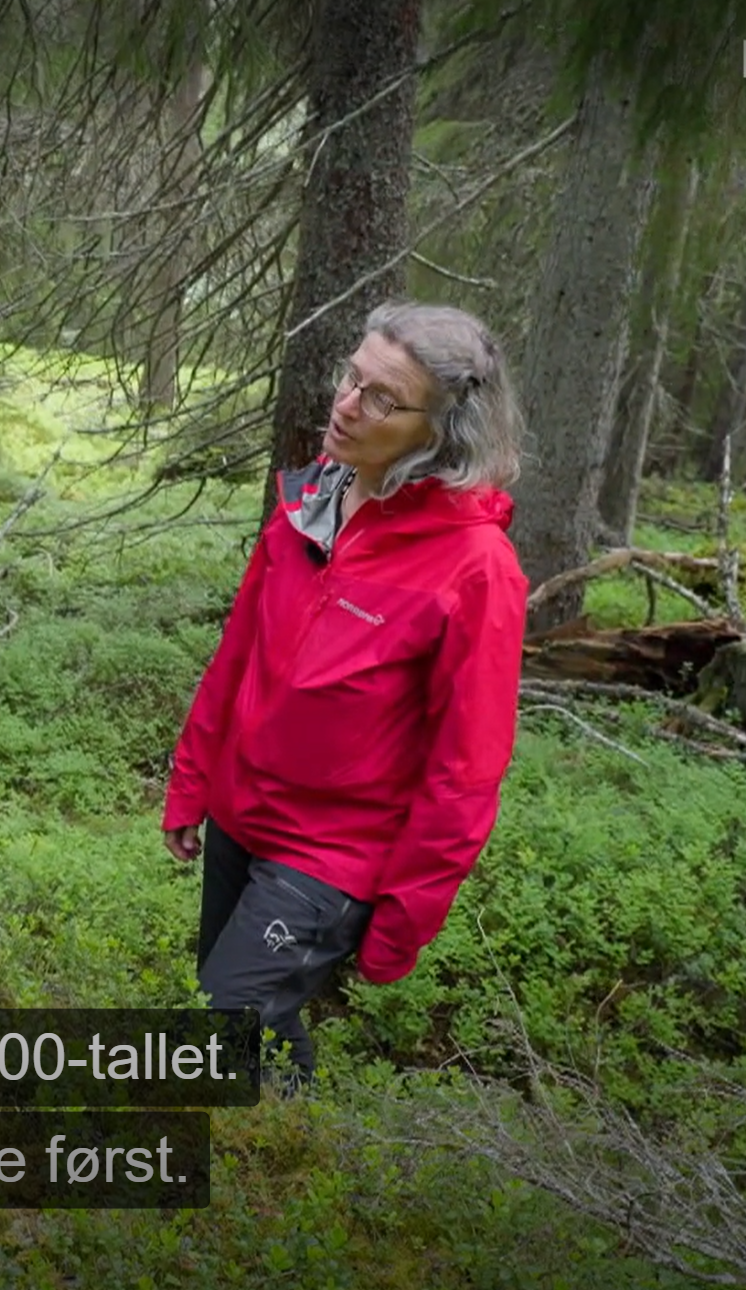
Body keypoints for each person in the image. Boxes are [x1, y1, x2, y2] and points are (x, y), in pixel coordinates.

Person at [161, 301, 529, 1086]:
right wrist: (192, 783)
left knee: (220, 1019)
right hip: (240, 814)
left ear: (440, 433)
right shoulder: (311, 505)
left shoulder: (476, 569)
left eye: (381, 398)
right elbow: (237, 658)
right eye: (350, 379)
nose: (346, 405)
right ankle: (291, 1136)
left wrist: (400, 923)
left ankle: (242, 1180)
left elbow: (464, 771)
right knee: (245, 1017)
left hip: (330, 856)